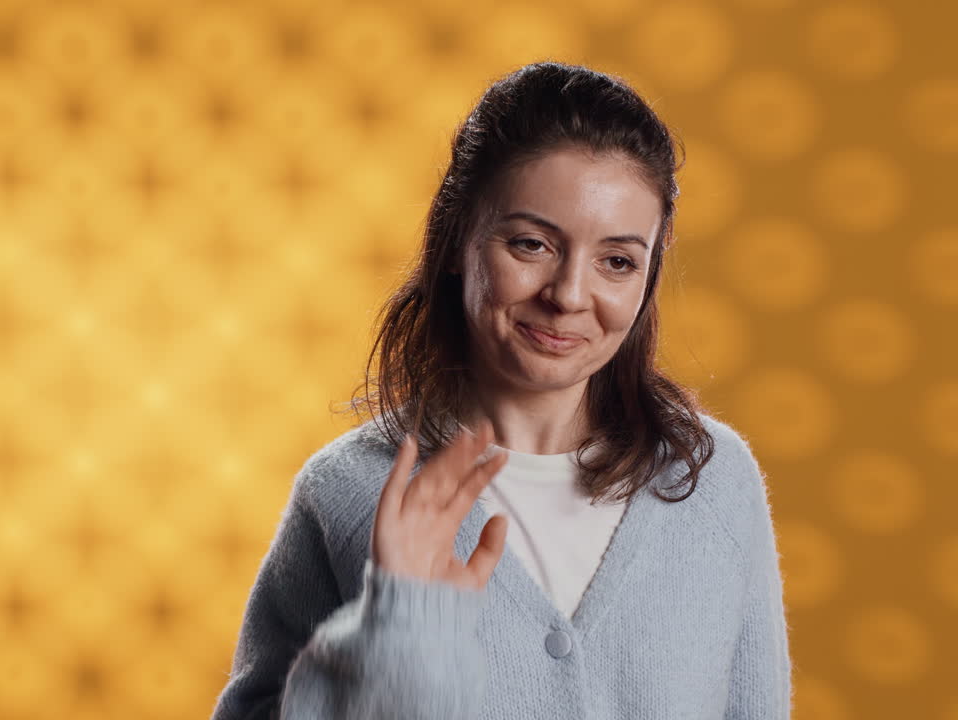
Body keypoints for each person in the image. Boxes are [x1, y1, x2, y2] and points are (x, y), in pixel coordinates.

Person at [210, 61, 792, 720]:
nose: (569, 295)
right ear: (462, 240)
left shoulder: (713, 482)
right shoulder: (347, 494)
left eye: (618, 261)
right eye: (531, 244)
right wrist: (401, 636)